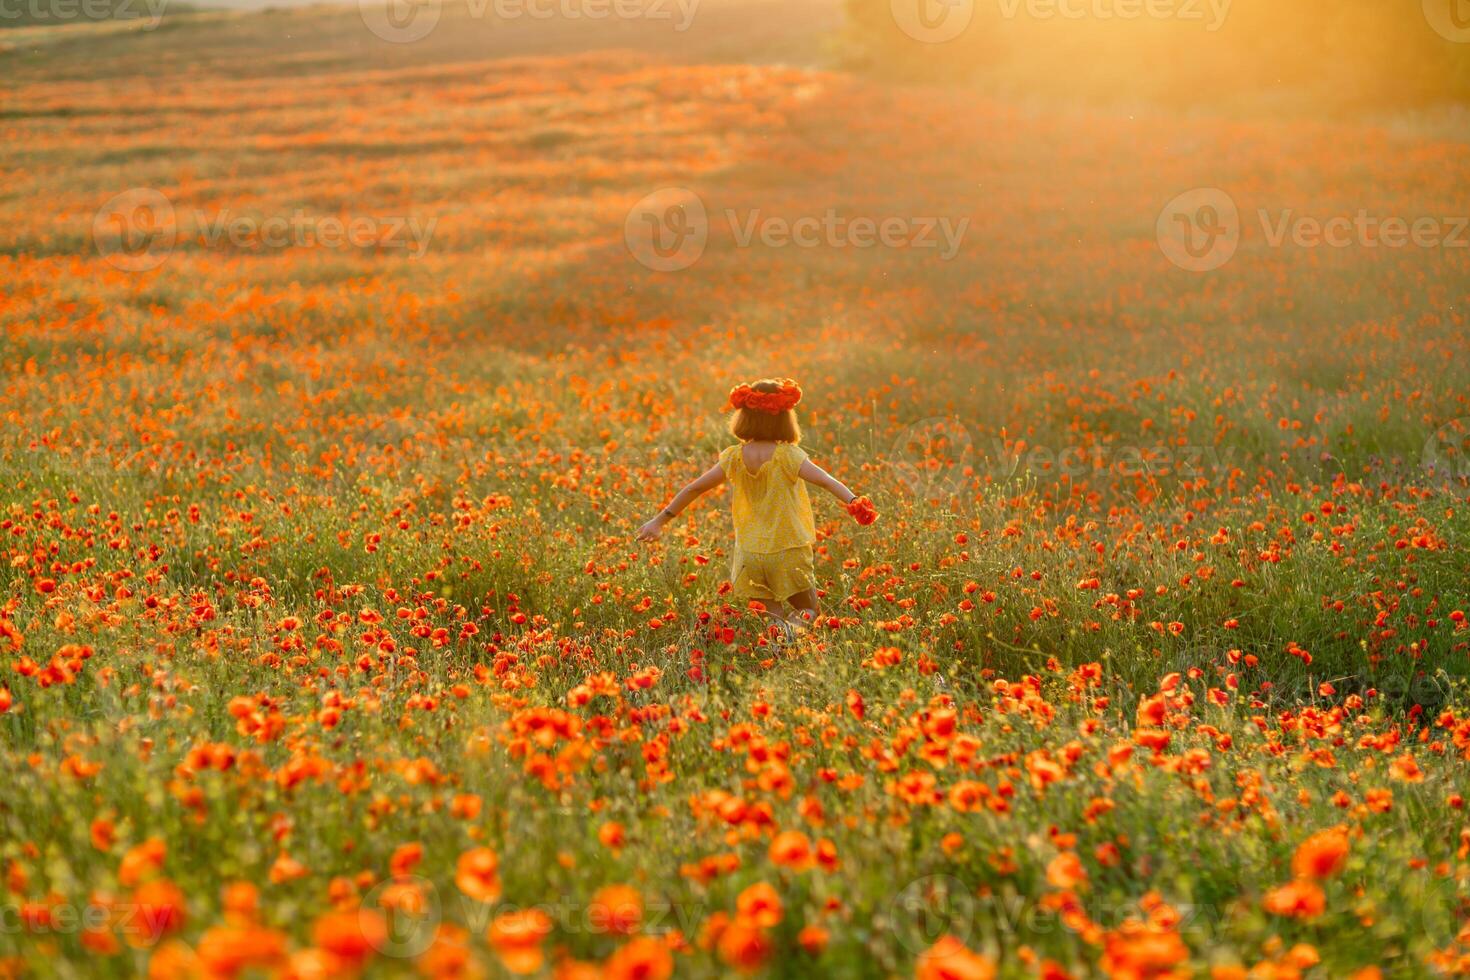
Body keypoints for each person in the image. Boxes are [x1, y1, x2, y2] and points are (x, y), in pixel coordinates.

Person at [636, 378, 878, 626]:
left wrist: (659, 521)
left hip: (750, 554)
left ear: (744, 418)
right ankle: (793, 634)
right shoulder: (787, 456)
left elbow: (694, 487)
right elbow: (826, 481)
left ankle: (780, 641)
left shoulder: (734, 457)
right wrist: (855, 501)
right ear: (785, 419)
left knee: (774, 619)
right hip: (787, 549)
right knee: (809, 611)